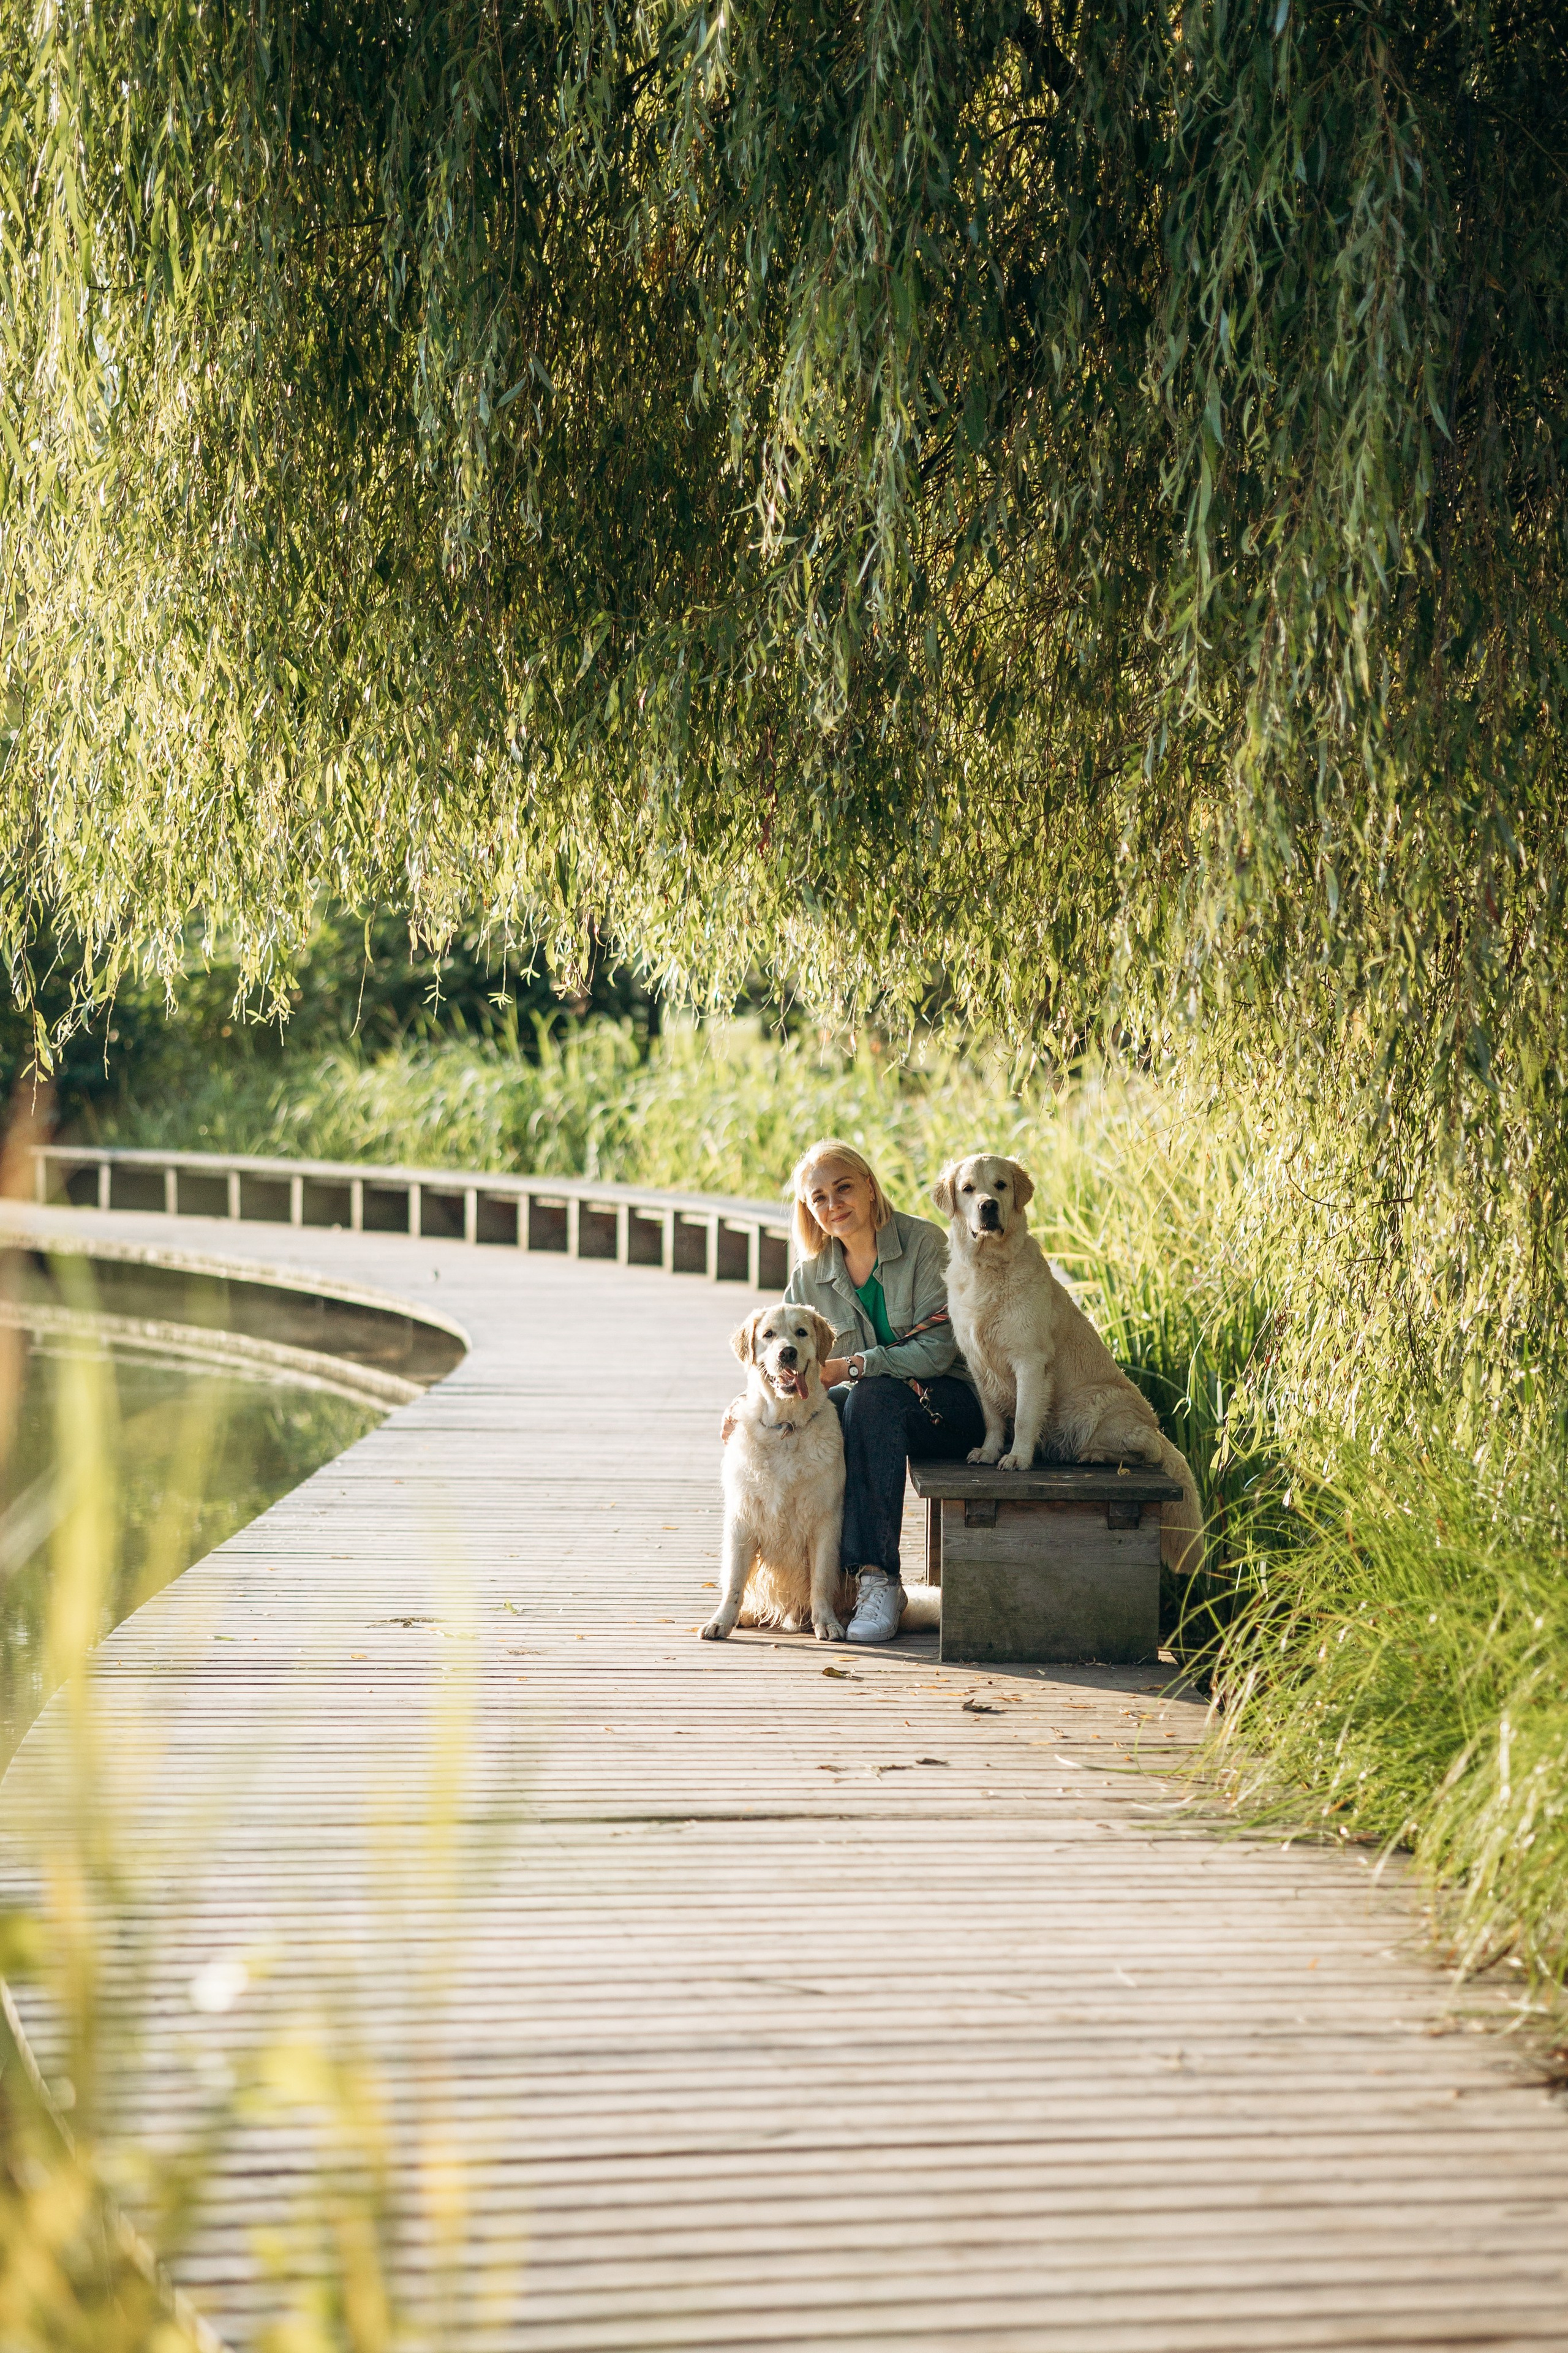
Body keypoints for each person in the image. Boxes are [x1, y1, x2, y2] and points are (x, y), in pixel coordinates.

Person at [783, 1138, 986, 1643]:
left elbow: (939, 1349)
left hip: (950, 1408)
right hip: (872, 1415)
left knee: (866, 1396)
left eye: (844, 1188)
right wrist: (747, 1406)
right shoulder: (809, 1279)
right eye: (820, 1198)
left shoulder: (923, 1245)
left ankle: (879, 1580)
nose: (834, 1205)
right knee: (811, 1416)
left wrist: (853, 1364)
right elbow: (780, 1362)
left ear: (870, 1187)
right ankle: (814, 1585)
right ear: (809, 1210)